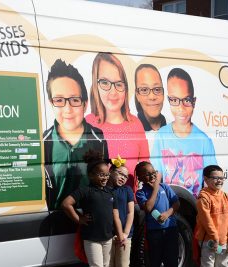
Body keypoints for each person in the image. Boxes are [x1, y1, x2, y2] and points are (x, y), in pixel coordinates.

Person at [43, 59, 109, 210]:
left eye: (74, 100)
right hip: (58, 218)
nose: (67, 109)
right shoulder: (44, 142)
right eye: (59, 100)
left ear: (85, 104)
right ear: (51, 103)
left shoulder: (98, 138)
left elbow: (105, 179)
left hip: (91, 219)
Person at [86, 52, 150, 192]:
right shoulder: (88, 123)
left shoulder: (135, 123)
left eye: (118, 84)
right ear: (95, 86)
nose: (113, 92)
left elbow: (146, 166)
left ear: (125, 87)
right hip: (101, 203)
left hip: (129, 203)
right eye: (104, 83)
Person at [151, 67, 217, 197]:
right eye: (174, 100)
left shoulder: (203, 140)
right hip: (168, 202)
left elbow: (212, 178)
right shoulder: (162, 136)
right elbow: (156, 174)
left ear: (194, 102)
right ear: (168, 100)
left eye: (186, 100)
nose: (181, 108)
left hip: (193, 205)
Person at [62, 150, 116, 267]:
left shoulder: (109, 191)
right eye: (101, 175)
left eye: (107, 174)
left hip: (108, 237)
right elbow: (66, 204)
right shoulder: (85, 190)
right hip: (92, 238)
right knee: (96, 265)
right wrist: (79, 219)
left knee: (107, 264)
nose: (105, 178)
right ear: (91, 175)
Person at [135, 161, 180, 267]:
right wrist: (155, 187)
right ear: (140, 178)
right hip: (154, 232)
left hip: (170, 229)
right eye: (147, 174)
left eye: (153, 172)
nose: (152, 175)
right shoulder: (141, 193)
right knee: (155, 260)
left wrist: (167, 214)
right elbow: (148, 207)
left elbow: (176, 203)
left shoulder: (164, 187)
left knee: (172, 260)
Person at [195, 165, 228, 267]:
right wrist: (215, 238)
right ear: (206, 179)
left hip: (223, 241)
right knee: (208, 264)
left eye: (221, 178)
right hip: (208, 241)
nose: (219, 181)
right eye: (215, 178)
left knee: (222, 264)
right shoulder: (204, 198)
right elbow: (206, 221)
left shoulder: (226, 197)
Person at [108, 156, 134, 267]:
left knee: (123, 264)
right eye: (120, 174)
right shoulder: (105, 190)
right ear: (111, 171)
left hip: (124, 235)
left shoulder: (127, 190)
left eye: (126, 176)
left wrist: (125, 233)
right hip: (108, 235)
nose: (123, 178)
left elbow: (130, 212)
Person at [134, 64, 166, 151]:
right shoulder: (130, 131)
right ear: (137, 95)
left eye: (157, 89)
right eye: (144, 90)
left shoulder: (174, 128)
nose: (152, 97)